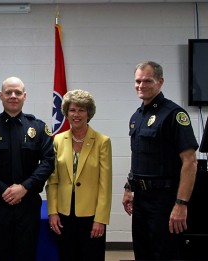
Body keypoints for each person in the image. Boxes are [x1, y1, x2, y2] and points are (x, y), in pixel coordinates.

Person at [122, 61, 198, 260]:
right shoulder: (136, 117)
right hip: (141, 200)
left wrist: (181, 204)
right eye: (138, 81)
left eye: (147, 80)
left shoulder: (174, 114)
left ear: (160, 81)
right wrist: (129, 188)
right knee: (142, 252)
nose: (141, 85)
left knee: (165, 254)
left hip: (165, 201)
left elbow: (190, 162)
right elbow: (138, 156)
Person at [0, 76, 55, 261]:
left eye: (18, 92)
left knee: (26, 254)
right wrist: (4, 190)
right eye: (8, 92)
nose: (13, 96)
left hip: (28, 204)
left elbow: (49, 161)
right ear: (0, 95)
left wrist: (24, 187)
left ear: (25, 96)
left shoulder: (39, 128)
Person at [45, 89, 112, 261]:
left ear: (88, 113)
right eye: (73, 110)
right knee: (66, 255)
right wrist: (52, 212)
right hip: (63, 213)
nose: (77, 114)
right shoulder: (58, 140)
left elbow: (105, 184)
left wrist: (101, 219)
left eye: (81, 110)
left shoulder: (102, 141)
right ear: (66, 113)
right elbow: (52, 181)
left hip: (90, 214)